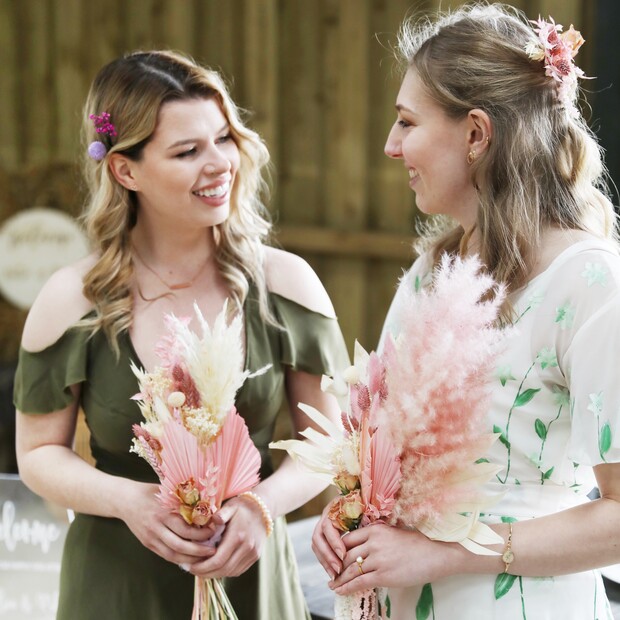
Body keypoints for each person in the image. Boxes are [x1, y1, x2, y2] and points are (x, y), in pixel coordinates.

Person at [14, 50, 349, 620]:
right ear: (125, 170)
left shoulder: (286, 285)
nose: (219, 163)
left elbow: (329, 440)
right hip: (116, 588)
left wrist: (260, 506)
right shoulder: (72, 300)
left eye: (224, 138)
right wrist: (129, 501)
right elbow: (39, 453)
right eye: (187, 151)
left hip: (251, 578)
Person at [312, 3, 620, 618]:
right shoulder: (431, 272)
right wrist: (347, 511)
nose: (391, 146)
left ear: (476, 134)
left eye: (406, 123)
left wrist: (450, 552)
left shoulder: (592, 283)